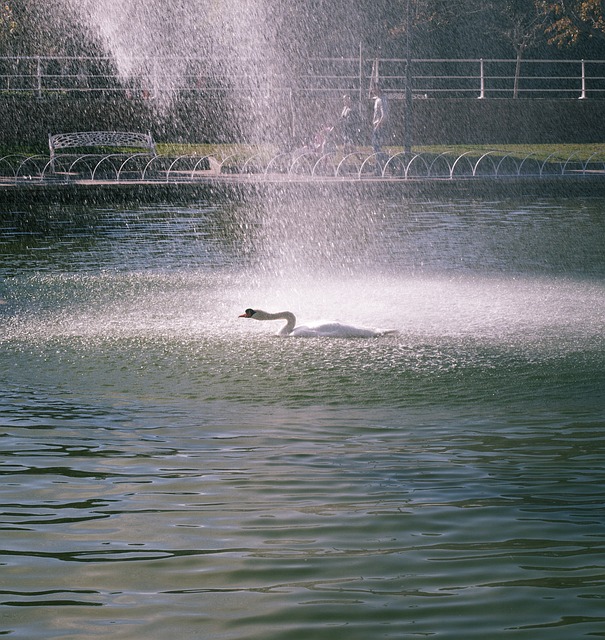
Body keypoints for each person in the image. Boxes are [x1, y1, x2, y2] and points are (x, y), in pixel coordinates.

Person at [371, 86, 389, 175]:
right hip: (377, 126)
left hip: (379, 127)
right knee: (376, 148)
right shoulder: (378, 99)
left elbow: (384, 115)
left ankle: (388, 162)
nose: (372, 91)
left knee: (376, 147)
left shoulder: (382, 100)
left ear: (378, 90)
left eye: (373, 89)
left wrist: (377, 126)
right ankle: (378, 168)